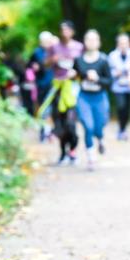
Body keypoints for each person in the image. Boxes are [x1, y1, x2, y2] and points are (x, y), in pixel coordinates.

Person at [45, 21, 83, 165]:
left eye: (67, 30)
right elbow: (45, 64)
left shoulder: (79, 47)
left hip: (73, 89)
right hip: (58, 88)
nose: (65, 32)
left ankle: (72, 150)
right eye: (62, 30)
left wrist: (76, 73)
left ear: (72, 31)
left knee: (71, 123)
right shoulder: (54, 47)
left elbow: (83, 66)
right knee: (60, 123)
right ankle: (62, 153)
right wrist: (52, 59)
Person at [74, 29, 112, 170]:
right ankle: (91, 156)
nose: (91, 42)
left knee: (99, 125)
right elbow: (75, 75)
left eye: (94, 39)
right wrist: (74, 75)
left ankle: (100, 139)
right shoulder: (78, 60)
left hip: (99, 97)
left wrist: (97, 79)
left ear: (99, 42)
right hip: (84, 97)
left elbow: (109, 81)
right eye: (88, 39)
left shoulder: (103, 60)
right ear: (84, 42)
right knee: (87, 126)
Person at [107, 33, 130, 141]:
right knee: (121, 107)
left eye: (125, 43)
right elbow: (108, 72)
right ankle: (121, 128)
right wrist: (117, 73)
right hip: (118, 87)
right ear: (118, 44)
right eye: (121, 43)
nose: (123, 45)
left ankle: (123, 129)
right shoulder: (112, 56)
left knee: (127, 109)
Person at [31, 31, 56, 141]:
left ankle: (51, 131)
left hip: (54, 84)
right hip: (41, 84)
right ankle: (43, 132)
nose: (46, 43)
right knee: (42, 108)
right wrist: (34, 67)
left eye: (48, 40)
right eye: (44, 41)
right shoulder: (36, 53)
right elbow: (30, 65)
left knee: (53, 109)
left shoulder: (55, 51)